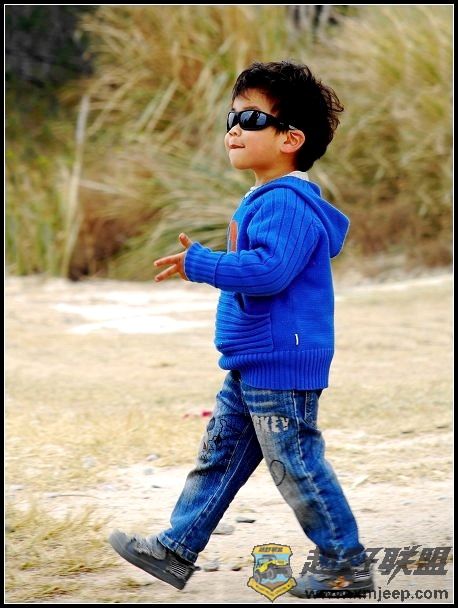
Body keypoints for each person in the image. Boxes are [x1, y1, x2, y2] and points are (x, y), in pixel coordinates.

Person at [109, 60, 374, 598]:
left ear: (291, 139)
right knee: (221, 455)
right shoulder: (265, 197)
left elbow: (270, 271)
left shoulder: (286, 202)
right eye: (231, 118)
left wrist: (203, 264)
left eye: (252, 119)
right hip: (253, 359)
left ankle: (344, 563)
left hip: (280, 362)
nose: (234, 128)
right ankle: (176, 548)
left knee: (295, 463)